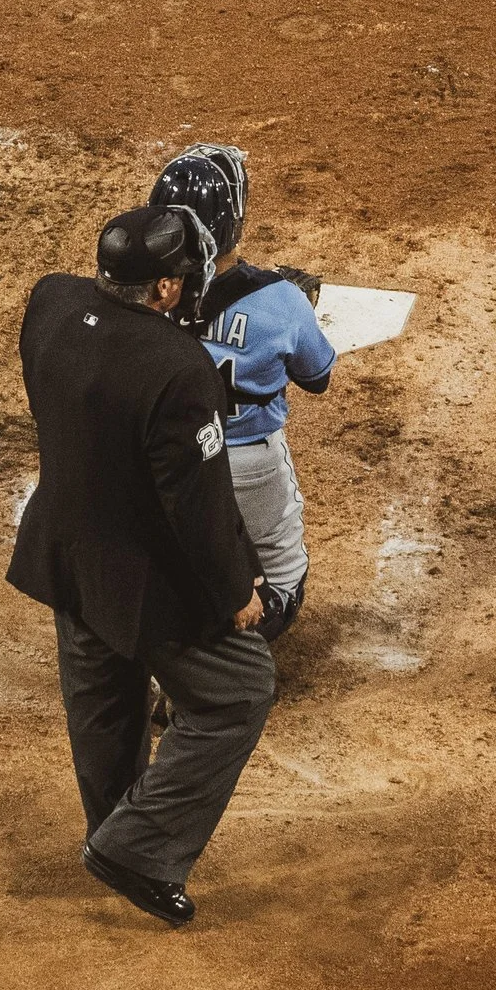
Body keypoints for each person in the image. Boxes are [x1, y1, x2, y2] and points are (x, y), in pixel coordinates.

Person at [7, 204, 275, 926]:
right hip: (143, 579)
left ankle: (114, 833)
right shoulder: (177, 368)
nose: (189, 288)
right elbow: (196, 503)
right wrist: (234, 593)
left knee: (103, 700)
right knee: (240, 689)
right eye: (182, 279)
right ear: (161, 290)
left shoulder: (51, 303)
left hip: (65, 546)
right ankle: (135, 846)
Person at [150, 144, 337, 640]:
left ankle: (153, 642)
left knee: (165, 552)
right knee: (283, 580)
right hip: (248, 462)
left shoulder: (144, 290)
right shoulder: (281, 300)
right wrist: (293, 305)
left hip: (163, 459)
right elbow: (318, 376)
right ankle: (213, 666)